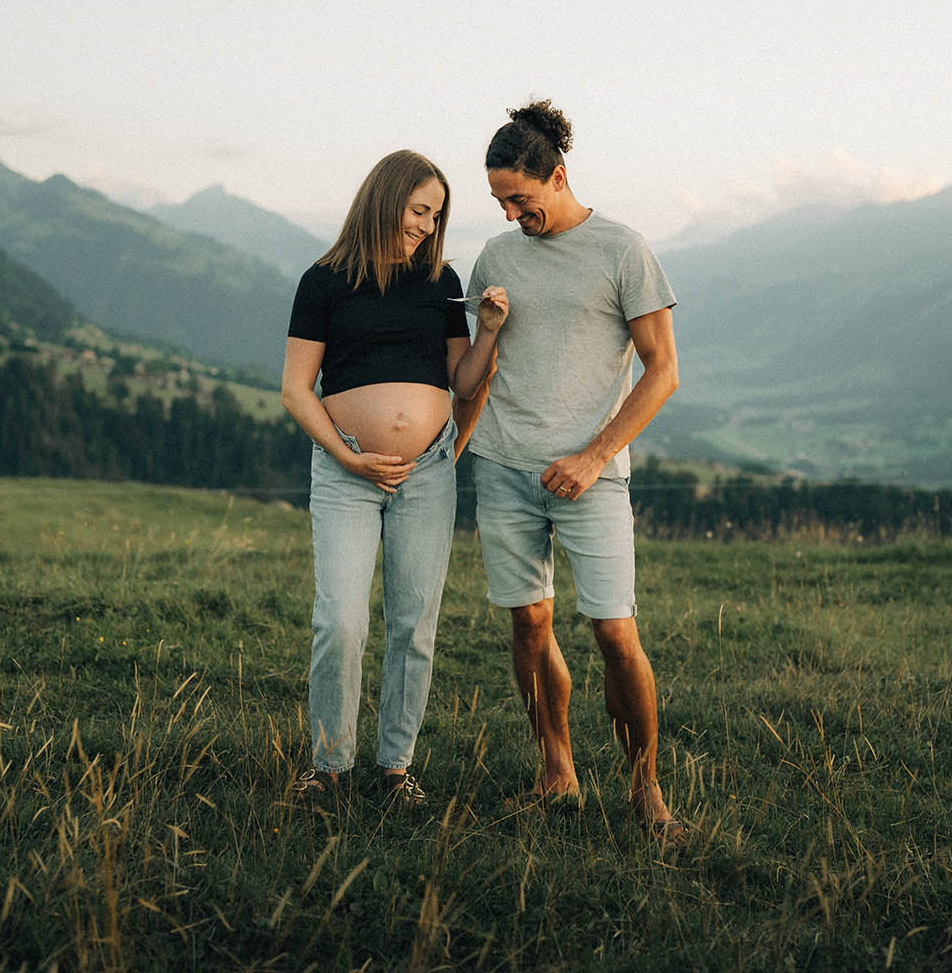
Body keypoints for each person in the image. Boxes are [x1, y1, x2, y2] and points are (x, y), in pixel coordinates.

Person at [459, 101, 684, 839]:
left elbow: (663, 372)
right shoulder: (496, 259)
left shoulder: (624, 250)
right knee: (528, 620)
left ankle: (645, 787)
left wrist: (593, 457)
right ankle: (557, 771)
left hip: (592, 476)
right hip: (504, 464)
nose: (509, 212)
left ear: (558, 176)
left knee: (615, 630)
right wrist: (485, 340)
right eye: (499, 201)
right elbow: (476, 372)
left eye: (519, 198)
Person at [282, 149, 508, 807]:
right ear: (385, 198)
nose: (424, 225)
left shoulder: (441, 281)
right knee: (340, 620)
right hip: (346, 468)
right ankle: (328, 764)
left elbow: (464, 380)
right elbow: (297, 390)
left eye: (434, 215)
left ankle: (393, 768)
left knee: (414, 622)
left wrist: (489, 332)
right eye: (418, 210)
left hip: (428, 471)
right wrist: (349, 456)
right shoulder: (323, 281)